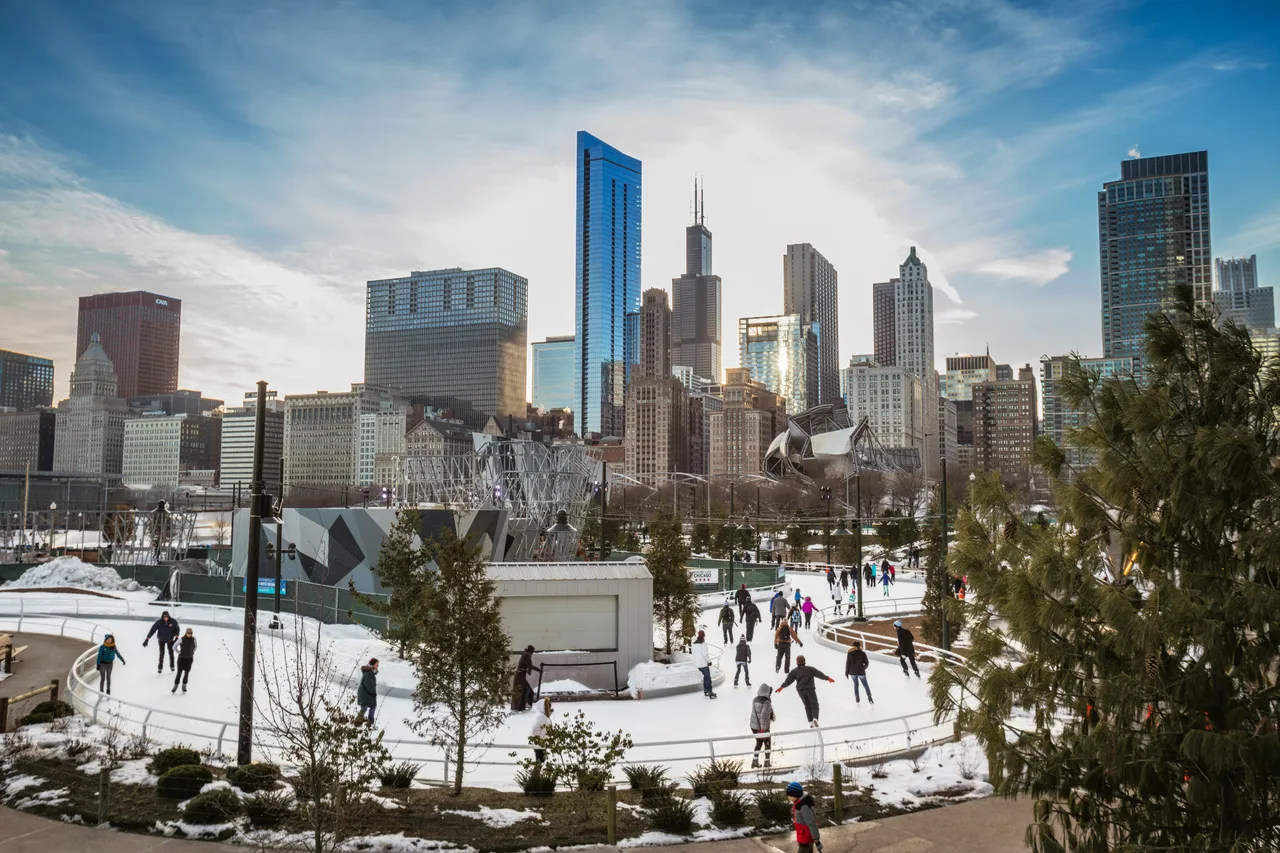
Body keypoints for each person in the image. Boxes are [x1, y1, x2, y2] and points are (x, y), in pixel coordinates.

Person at [776, 654, 835, 727]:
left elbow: (788, 680)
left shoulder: (794, 671)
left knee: (807, 705)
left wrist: (782, 687)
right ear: (805, 661)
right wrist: (827, 678)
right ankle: (815, 719)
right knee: (814, 704)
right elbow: (819, 674)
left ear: (797, 662)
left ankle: (810, 722)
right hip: (810, 689)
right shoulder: (810, 669)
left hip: (801, 691)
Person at [787, 781, 822, 853]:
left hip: (806, 839)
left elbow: (812, 823)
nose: (789, 798)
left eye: (790, 796)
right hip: (803, 837)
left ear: (796, 795)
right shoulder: (799, 803)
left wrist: (816, 839)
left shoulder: (803, 806)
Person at [749, 683, 775, 768]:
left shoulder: (755, 700)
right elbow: (763, 717)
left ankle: (755, 761)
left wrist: (758, 728)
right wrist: (763, 729)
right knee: (767, 743)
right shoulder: (766, 702)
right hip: (763, 727)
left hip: (754, 726)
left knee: (759, 742)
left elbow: (755, 714)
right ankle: (767, 762)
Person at [691, 629, 716, 698]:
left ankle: (705, 690)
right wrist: (709, 661)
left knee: (705, 676)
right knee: (708, 677)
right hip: (703, 663)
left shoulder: (694, 643)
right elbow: (705, 654)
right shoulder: (703, 643)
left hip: (697, 663)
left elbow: (694, 653)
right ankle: (710, 691)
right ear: (704, 635)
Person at [171, 627, 196, 694]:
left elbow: (195, 646)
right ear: (186, 633)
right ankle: (175, 686)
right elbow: (174, 646)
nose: (190, 634)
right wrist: (179, 652)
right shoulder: (181, 639)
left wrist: (192, 653)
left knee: (186, 673)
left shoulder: (193, 639)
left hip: (189, 659)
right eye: (188, 633)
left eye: (191, 633)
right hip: (181, 659)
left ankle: (184, 686)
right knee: (179, 673)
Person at [513, 644, 537, 710]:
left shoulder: (524, 655)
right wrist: (539, 670)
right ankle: (523, 704)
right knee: (524, 690)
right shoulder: (526, 656)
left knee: (526, 690)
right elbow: (530, 666)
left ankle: (524, 704)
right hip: (520, 676)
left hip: (520, 675)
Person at [529, 697, 553, 764]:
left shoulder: (542, 716)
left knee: (541, 762)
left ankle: (536, 774)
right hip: (540, 745)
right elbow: (534, 731)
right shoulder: (541, 718)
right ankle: (535, 774)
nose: (550, 709)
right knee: (540, 762)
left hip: (542, 744)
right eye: (548, 707)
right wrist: (538, 742)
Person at [356, 657, 379, 724]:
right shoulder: (368, 673)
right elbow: (368, 685)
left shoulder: (370, 672)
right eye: (377, 664)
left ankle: (368, 722)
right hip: (365, 694)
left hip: (367, 693)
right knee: (366, 707)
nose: (378, 666)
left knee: (371, 707)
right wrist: (373, 693)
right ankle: (360, 722)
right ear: (373, 665)